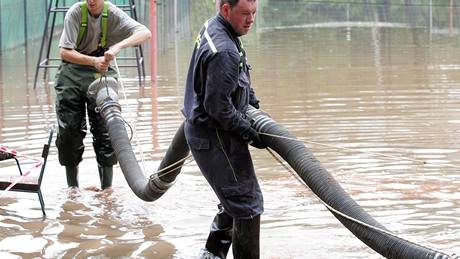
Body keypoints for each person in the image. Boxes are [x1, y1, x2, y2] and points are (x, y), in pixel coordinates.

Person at [182, 0, 265, 258]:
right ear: (226, 9)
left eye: (254, 12)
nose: (251, 19)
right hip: (214, 136)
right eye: (244, 14)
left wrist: (253, 105)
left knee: (234, 197)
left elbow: (237, 78)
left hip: (206, 131)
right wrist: (250, 133)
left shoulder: (218, 28)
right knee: (247, 203)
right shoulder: (224, 50)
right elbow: (218, 107)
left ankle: (211, 255)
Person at [55, 0, 151, 191]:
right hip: (72, 74)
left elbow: (145, 33)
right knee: (69, 133)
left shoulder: (112, 13)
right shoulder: (75, 13)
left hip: (102, 74)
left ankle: (107, 191)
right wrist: (93, 61)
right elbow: (64, 52)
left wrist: (117, 47)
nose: (91, 1)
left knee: (106, 132)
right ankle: (72, 190)